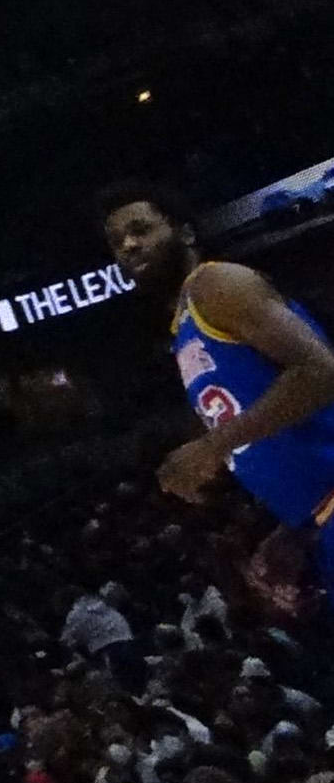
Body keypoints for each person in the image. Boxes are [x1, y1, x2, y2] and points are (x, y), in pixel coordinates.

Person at [97, 182, 334, 587]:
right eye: (117, 241)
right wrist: (296, 532)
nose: (129, 245)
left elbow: (321, 371)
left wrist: (210, 447)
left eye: (141, 229)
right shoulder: (184, 329)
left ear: (185, 233)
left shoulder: (215, 285)